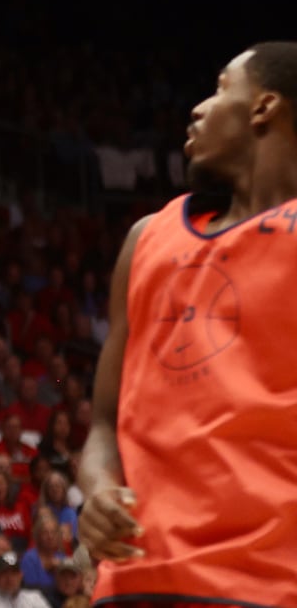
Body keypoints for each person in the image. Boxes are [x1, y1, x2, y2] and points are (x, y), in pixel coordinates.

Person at [79, 43, 297, 605]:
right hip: (133, 581)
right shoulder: (146, 238)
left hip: (264, 584)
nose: (198, 108)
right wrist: (99, 492)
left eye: (222, 88)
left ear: (264, 108)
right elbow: (104, 423)